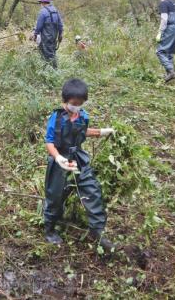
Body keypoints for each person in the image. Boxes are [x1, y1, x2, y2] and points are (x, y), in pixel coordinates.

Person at [44, 78, 115, 250]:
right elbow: (49, 141)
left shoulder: (82, 116)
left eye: (80, 103)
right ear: (65, 101)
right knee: (56, 196)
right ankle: (50, 229)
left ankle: (98, 232)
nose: (77, 106)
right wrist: (58, 158)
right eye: (74, 103)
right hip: (60, 160)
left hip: (79, 159)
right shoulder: (57, 117)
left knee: (92, 190)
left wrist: (101, 132)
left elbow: (83, 132)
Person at [155, 0, 175, 82]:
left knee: (160, 51)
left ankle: (171, 72)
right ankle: (170, 74)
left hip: (170, 28)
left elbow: (164, 19)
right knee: (169, 52)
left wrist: (160, 32)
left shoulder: (164, 3)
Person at [31, 0, 63, 68]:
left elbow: (38, 26)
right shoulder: (55, 11)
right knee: (52, 53)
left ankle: (52, 71)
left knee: (46, 56)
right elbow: (60, 25)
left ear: (42, 2)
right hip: (54, 38)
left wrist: (35, 34)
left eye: (41, 3)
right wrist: (60, 35)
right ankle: (52, 71)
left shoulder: (42, 12)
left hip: (45, 38)